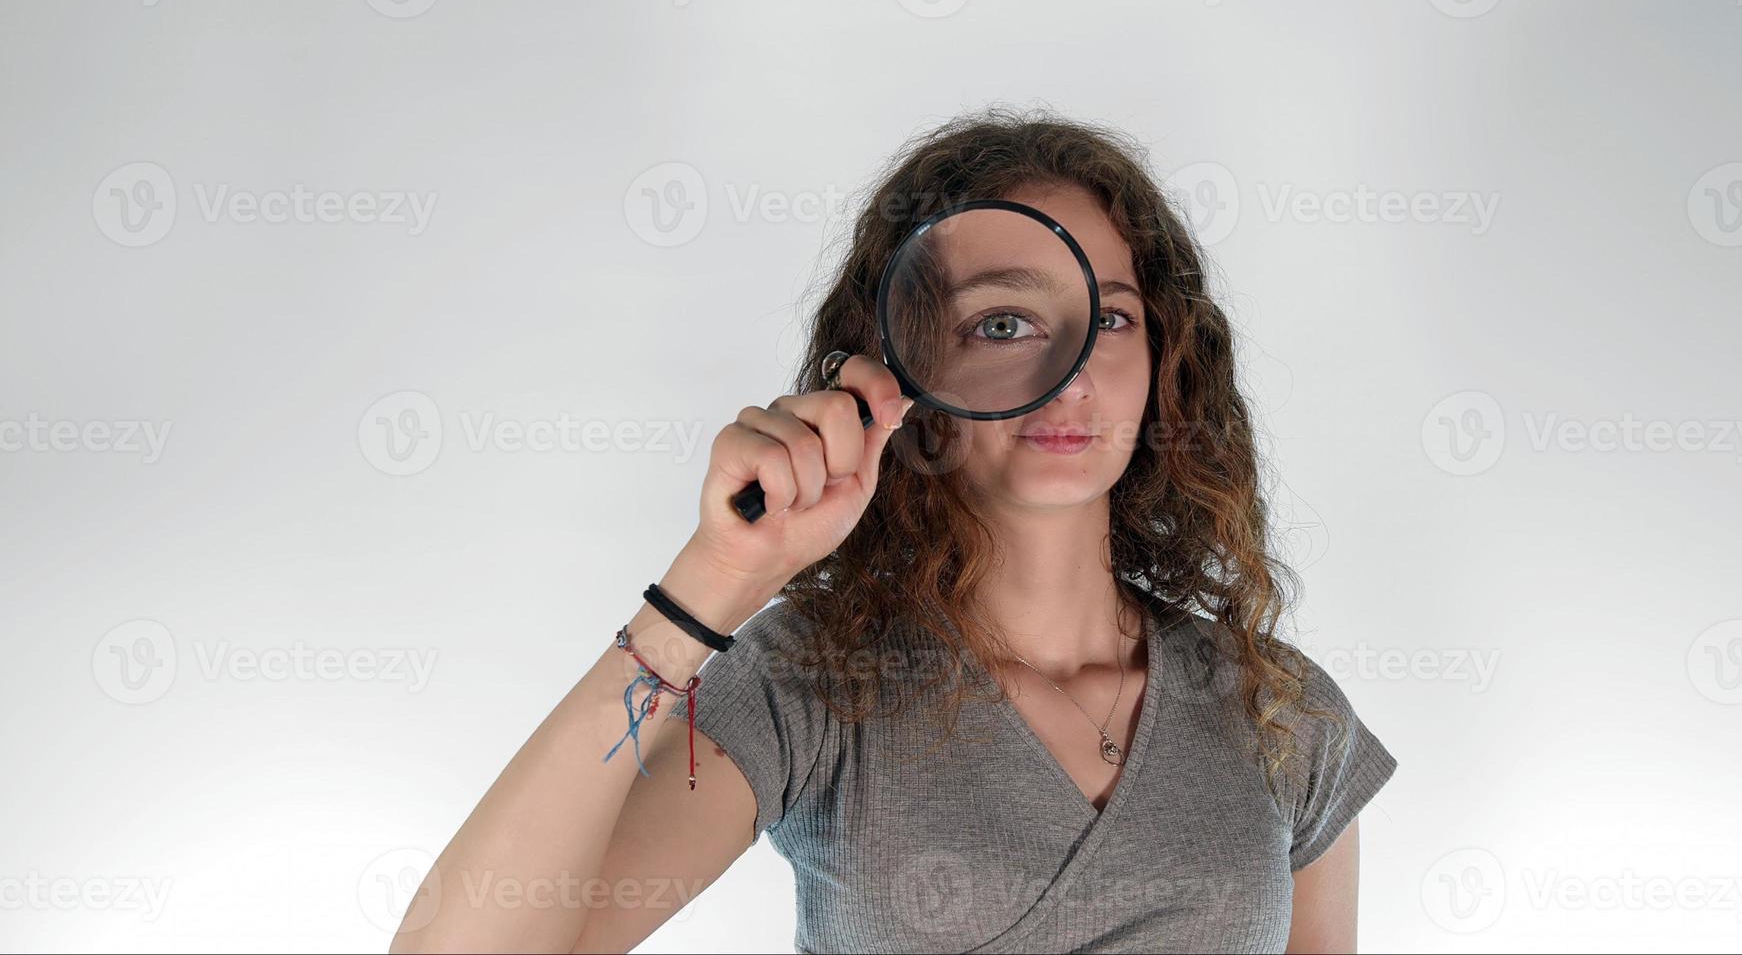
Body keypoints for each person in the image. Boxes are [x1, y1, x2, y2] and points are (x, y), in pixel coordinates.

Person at [391, 108, 1399, 954]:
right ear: (902, 371)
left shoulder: (1283, 711)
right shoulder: (812, 682)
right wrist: (710, 583)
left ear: (1167, 360)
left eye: (1112, 320)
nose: (1072, 371)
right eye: (1000, 324)